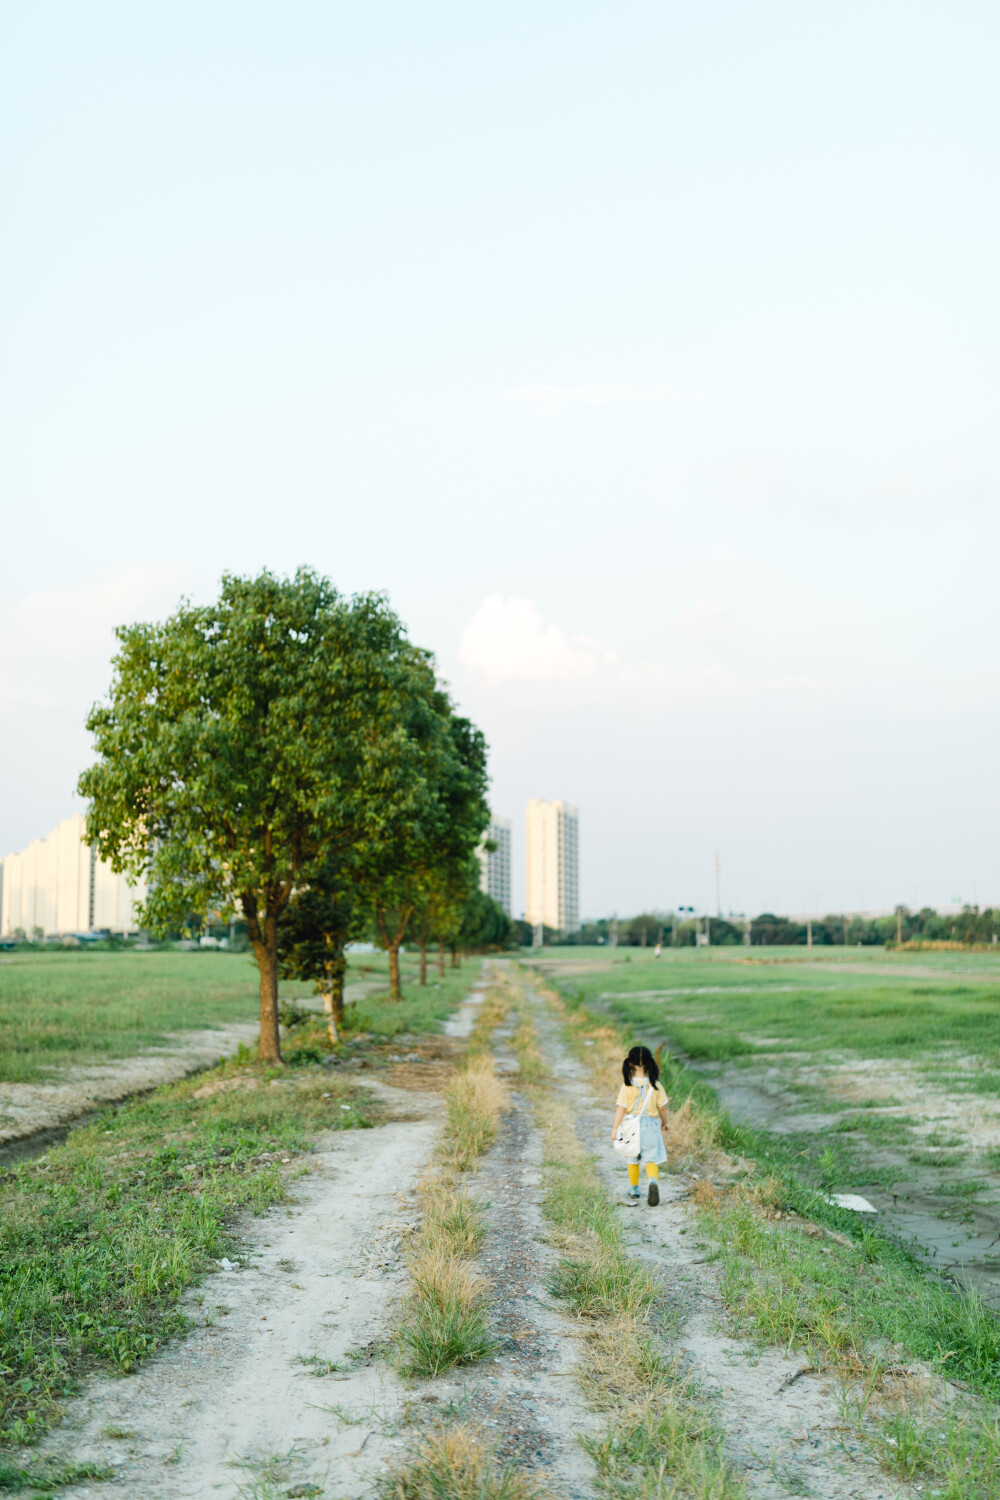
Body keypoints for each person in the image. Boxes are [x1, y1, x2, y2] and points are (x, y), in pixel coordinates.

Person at [611, 1044, 668, 1206]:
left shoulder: (627, 1086)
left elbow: (621, 1109)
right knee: (651, 1160)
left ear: (630, 1064)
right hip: (650, 1126)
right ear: (650, 1063)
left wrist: (615, 1128)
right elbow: (662, 1108)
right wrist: (665, 1123)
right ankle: (652, 1182)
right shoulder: (656, 1085)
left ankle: (634, 1188)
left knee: (632, 1159)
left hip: (631, 1125)